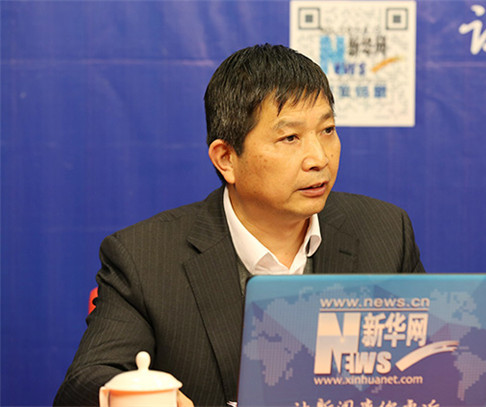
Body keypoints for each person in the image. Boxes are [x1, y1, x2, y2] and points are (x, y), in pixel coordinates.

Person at [54, 44, 425, 407]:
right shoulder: (145, 259)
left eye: (327, 130)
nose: (318, 158)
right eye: (290, 137)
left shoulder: (385, 233)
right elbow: (86, 383)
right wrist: (137, 398)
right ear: (226, 158)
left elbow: (434, 372)